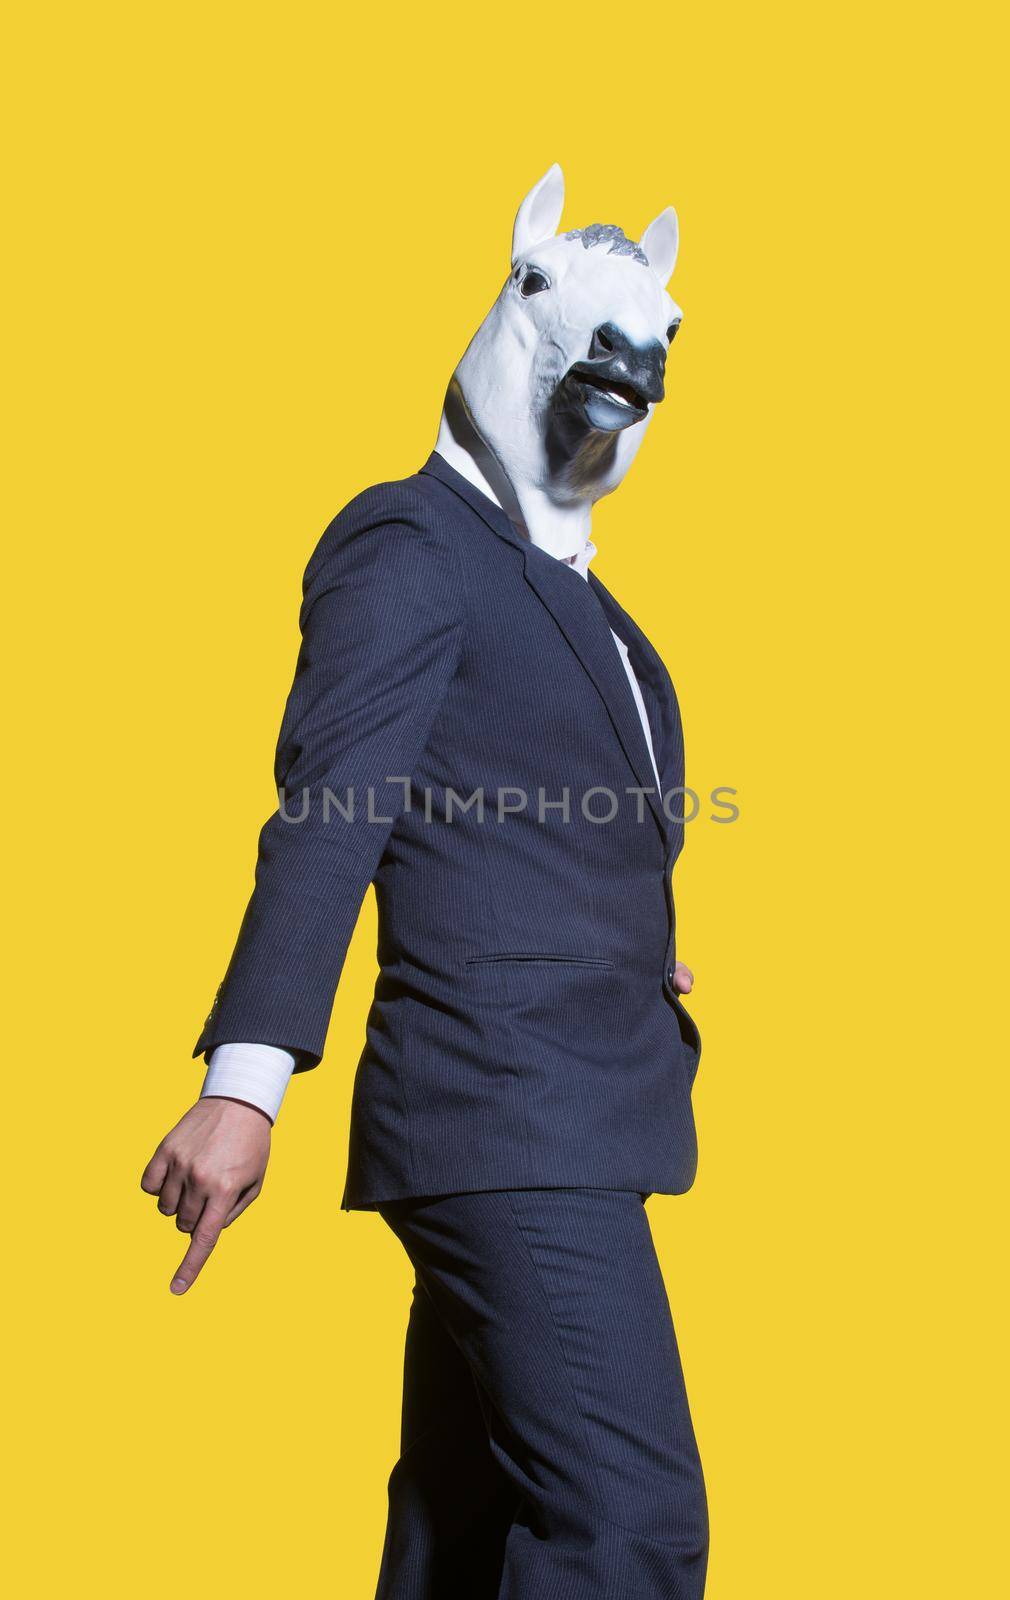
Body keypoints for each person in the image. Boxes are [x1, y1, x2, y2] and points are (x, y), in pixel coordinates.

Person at [142, 164, 709, 1598]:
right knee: (625, 1525)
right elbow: (332, 813)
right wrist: (245, 1082)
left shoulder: (583, 602)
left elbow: (513, 824)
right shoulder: (408, 544)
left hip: (571, 1098)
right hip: (504, 1110)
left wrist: (630, 944)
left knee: (459, 1532)